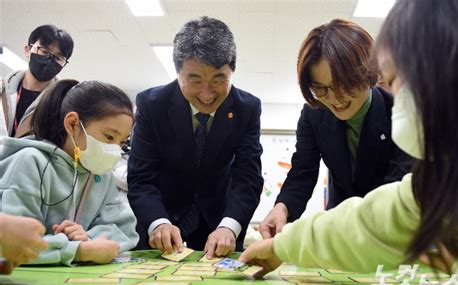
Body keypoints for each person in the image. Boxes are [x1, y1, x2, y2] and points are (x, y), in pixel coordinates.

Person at [240, 0, 458, 285]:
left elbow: (392, 213)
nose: (333, 98)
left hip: (389, 248)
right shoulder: (448, 176)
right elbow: (383, 214)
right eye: (321, 89)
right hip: (347, 228)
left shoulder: (397, 118)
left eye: (394, 82)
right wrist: (282, 226)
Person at [258, 19, 411, 239]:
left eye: (344, 85)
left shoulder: (400, 113)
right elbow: (303, 171)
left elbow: (396, 188)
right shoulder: (314, 114)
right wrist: (282, 208)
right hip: (340, 225)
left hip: (392, 229)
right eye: (320, 89)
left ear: (368, 73)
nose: (335, 99)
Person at [128, 16, 263, 257]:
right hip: (162, 223)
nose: (207, 93)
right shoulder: (152, 105)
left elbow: (247, 177)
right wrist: (158, 222)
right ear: (178, 72)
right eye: (195, 80)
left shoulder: (247, 108)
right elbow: (141, 177)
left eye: (219, 79)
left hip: (219, 227)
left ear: (232, 72)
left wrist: (229, 226)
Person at [0, 79, 139, 265]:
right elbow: (13, 244)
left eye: (122, 142)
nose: (115, 150)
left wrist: (87, 238)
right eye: (109, 137)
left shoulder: (101, 174)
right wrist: (78, 250)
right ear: (73, 124)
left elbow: (125, 230)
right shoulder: (30, 162)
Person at [1, 24, 73, 139]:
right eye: (44, 51)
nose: (49, 60)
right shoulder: (2, 89)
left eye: (58, 58)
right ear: (28, 50)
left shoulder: (62, 103)